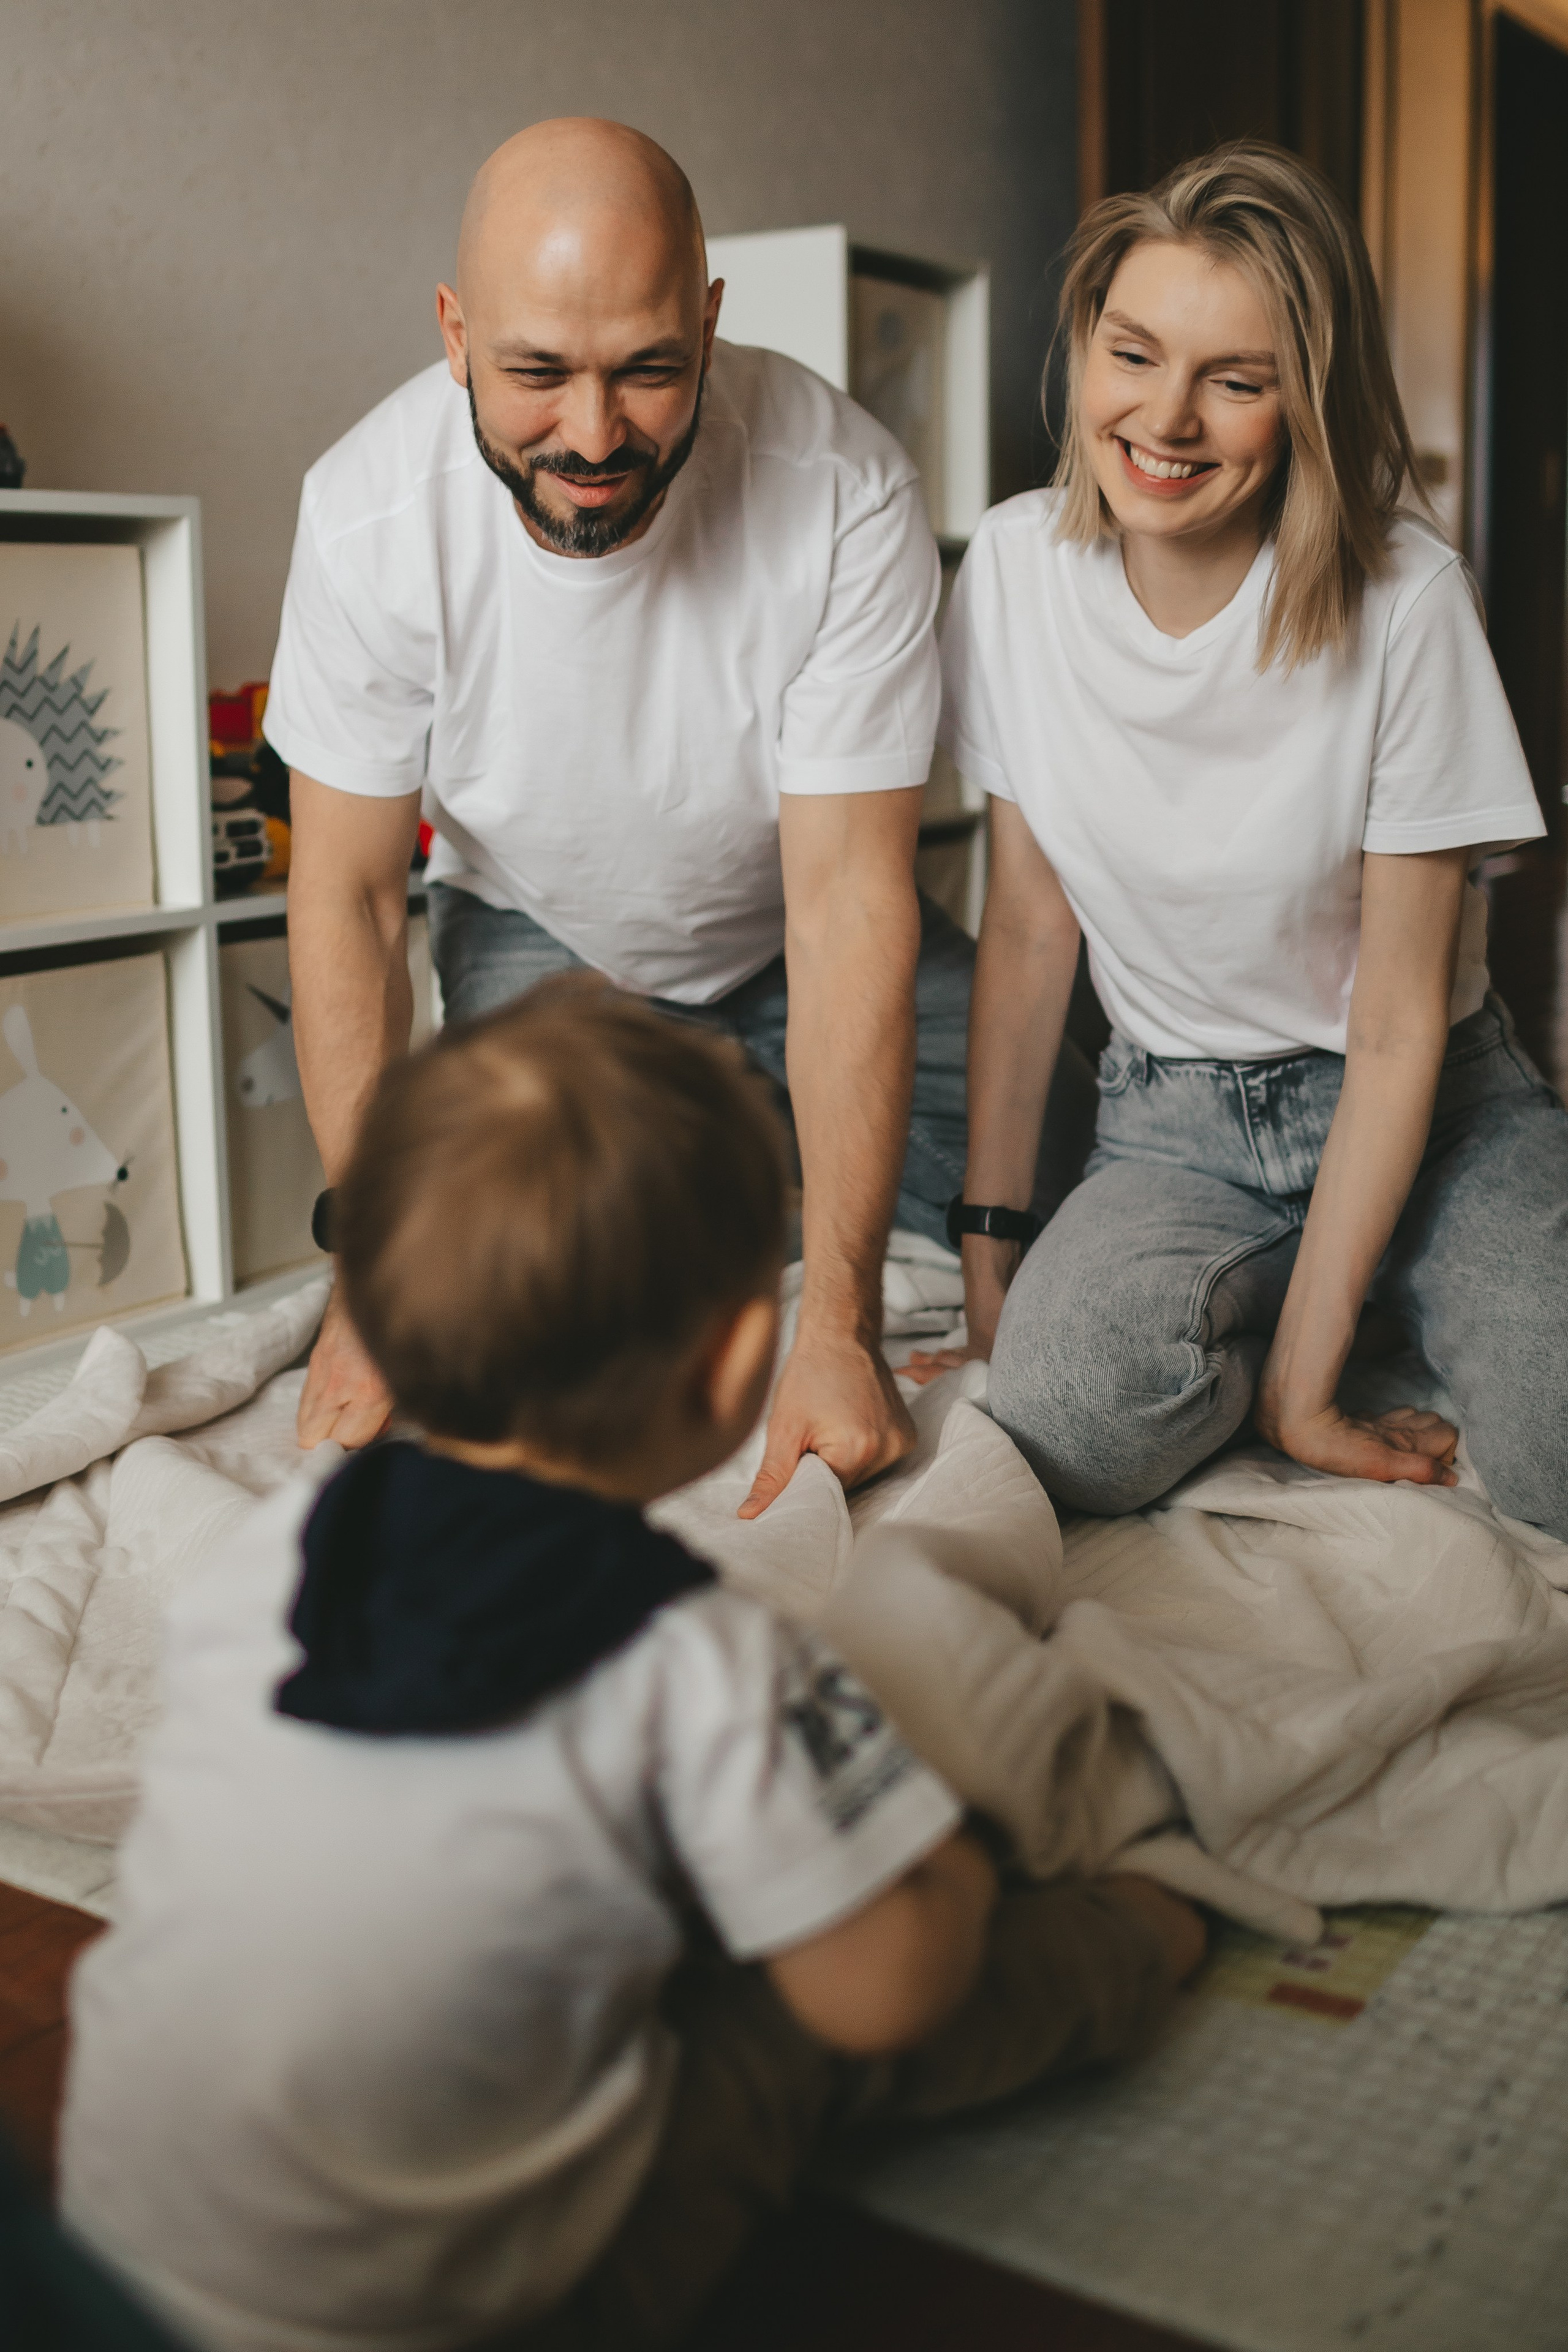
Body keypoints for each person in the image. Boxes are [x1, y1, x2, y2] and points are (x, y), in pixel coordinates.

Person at [60, 982, 1203, 2352]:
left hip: (107, 2252)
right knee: (807, 2017)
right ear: (738, 1358)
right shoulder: (696, 1650)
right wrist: (944, 1869)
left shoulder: (285, 1539)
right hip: (453, 2316)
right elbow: (880, 1995)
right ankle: (1148, 1938)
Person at [265, 114, 984, 1518]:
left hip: (794, 926)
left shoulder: (842, 492)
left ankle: (759, 1155)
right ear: (453, 331)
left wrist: (833, 1328)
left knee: (1040, 1225)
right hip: (550, 940)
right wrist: (371, 1276)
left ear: (709, 324)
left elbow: (846, 904)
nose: (591, 438)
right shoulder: (365, 517)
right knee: (541, 1323)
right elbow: (347, 899)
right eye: (535, 373)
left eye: (649, 370)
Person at [911, 142, 1568, 1540]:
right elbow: (1030, 929)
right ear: (1083, 351)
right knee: (1066, 1428)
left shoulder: (1405, 599)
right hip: (1173, 1120)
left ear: (1305, 403)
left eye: (1235, 378)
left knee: (1562, 1446)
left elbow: (1395, 1028)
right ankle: (1325, 1289)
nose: (1165, 417)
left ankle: (1353, 1299)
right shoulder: (1018, 575)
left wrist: (1304, 1398)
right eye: (1132, 354)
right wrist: (992, 1252)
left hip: (1428, 1102)